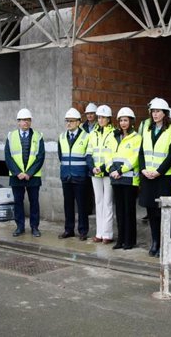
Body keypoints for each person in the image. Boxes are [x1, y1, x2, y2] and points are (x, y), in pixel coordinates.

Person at [139, 98, 171, 257]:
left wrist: (159, 171)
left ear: (165, 114)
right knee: (151, 211)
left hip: (164, 178)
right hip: (148, 176)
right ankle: (155, 241)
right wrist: (143, 169)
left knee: (166, 212)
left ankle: (167, 241)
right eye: (153, 112)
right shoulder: (147, 129)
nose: (154, 115)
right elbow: (141, 151)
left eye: (158, 112)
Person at [5, 108, 45, 237]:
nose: (25, 122)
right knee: (18, 202)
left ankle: (34, 227)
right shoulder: (11, 136)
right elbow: (8, 157)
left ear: (31, 121)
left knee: (34, 203)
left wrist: (29, 173)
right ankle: (20, 227)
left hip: (32, 177)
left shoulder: (38, 136)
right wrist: (18, 173)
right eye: (22, 120)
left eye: (27, 120)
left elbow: (40, 157)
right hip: (17, 177)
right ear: (18, 122)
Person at [108, 107, 142, 250]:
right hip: (115, 178)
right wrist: (111, 169)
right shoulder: (113, 136)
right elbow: (107, 154)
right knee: (120, 211)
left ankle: (130, 240)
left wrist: (120, 170)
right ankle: (120, 239)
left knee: (129, 211)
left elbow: (134, 158)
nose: (123, 123)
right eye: (121, 120)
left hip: (129, 179)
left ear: (131, 121)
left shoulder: (136, 138)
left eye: (126, 120)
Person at [58, 108, 90, 241]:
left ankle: (83, 231)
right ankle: (69, 229)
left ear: (78, 122)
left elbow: (88, 156)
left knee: (82, 205)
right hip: (66, 176)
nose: (69, 123)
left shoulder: (86, 136)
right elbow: (61, 155)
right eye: (67, 121)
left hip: (80, 176)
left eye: (71, 121)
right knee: (68, 204)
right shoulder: (61, 137)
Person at [86, 104, 116, 243]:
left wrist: (103, 168)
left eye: (103, 117)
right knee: (98, 202)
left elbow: (114, 155)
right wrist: (92, 168)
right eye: (99, 117)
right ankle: (99, 233)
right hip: (95, 173)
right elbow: (88, 153)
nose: (101, 120)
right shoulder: (93, 133)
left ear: (109, 119)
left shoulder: (114, 133)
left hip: (107, 172)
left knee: (107, 202)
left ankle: (107, 234)